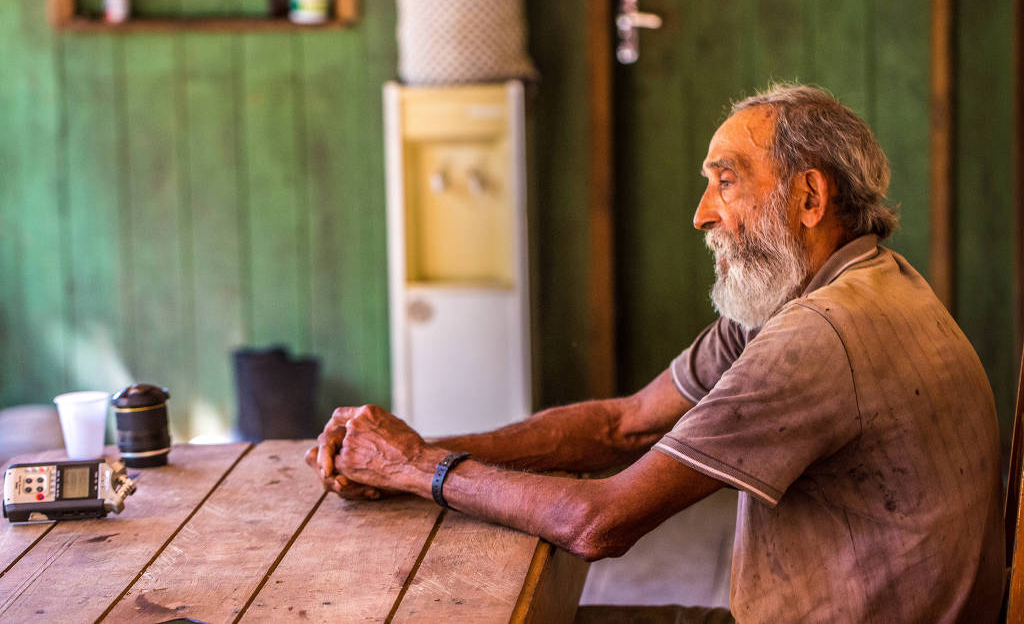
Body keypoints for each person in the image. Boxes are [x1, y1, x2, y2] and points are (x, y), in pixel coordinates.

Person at [306, 85, 1004, 622]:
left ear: (809, 197)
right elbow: (626, 423)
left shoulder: (821, 335)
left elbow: (600, 520)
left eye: (726, 181)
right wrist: (404, 454)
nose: (702, 212)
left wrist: (415, 466)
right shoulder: (839, 286)